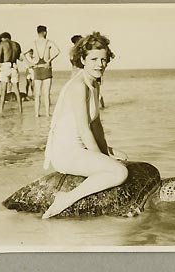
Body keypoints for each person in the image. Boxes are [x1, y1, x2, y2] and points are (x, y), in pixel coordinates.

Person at [42, 32, 128, 219]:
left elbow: (96, 125)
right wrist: (102, 160)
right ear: (82, 59)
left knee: (123, 158)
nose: (100, 64)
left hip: (80, 147)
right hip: (66, 152)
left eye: (104, 59)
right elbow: (84, 129)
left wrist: (106, 152)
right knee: (119, 172)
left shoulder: (94, 83)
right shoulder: (78, 86)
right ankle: (66, 198)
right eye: (94, 59)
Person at [23, 25, 60, 117]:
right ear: (45, 32)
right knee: (46, 94)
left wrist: (30, 63)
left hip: (37, 68)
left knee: (37, 94)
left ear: (37, 32)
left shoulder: (33, 43)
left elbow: (23, 54)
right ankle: (47, 114)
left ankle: (36, 114)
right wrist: (50, 60)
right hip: (46, 68)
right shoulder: (49, 42)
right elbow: (58, 51)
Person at [70, 34, 105, 108]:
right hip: (81, 75)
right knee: (94, 94)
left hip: (78, 74)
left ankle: (100, 107)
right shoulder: (78, 53)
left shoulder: (73, 54)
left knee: (93, 94)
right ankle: (102, 106)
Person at [0, 32, 23, 113]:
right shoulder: (16, 44)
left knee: (3, 92)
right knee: (17, 91)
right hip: (14, 66)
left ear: (3, 38)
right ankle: (20, 110)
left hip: (5, 66)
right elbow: (20, 58)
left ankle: (1, 110)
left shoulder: (2, 44)